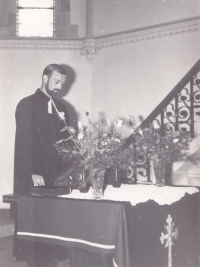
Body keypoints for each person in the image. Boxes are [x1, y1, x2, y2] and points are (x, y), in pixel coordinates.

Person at [14, 64, 70, 194]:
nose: (60, 87)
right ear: (45, 78)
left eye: (62, 83)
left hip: (58, 172)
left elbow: (67, 142)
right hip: (36, 173)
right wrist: (33, 172)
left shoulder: (62, 107)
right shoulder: (27, 104)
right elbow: (24, 142)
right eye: (57, 81)